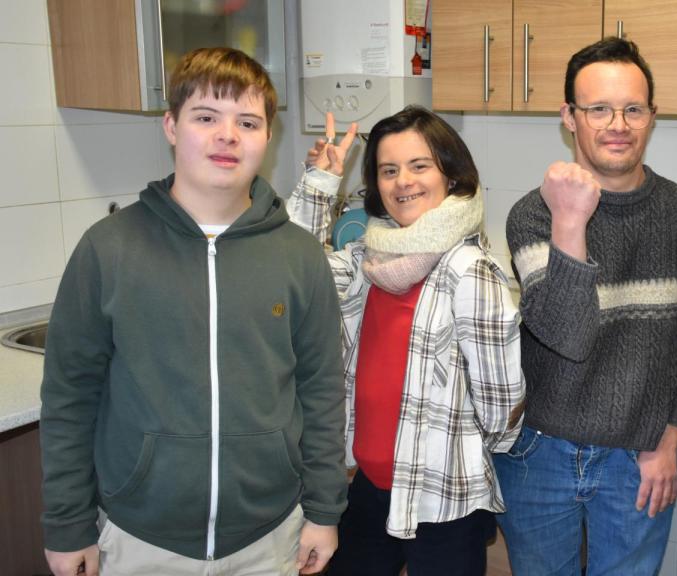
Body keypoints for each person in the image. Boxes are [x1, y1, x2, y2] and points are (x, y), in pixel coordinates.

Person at [39, 47, 347, 576]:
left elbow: (321, 392)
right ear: (171, 126)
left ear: (266, 139)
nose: (227, 135)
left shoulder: (299, 256)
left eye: (247, 122)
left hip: (269, 537)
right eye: (206, 117)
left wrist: (323, 511)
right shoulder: (108, 249)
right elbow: (70, 397)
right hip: (141, 538)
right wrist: (67, 525)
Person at [496, 37, 677, 575]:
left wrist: (669, 442)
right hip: (537, 455)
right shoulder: (532, 216)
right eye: (598, 108)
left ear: (651, 116)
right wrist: (570, 220)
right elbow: (566, 335)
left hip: (638, 458)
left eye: (633, 108)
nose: (617, 123)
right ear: (569, 117)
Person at [287, 105, 525, 576]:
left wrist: (455, 451)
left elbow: (502, 406)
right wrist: (319, 183)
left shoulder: (471, 272)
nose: (403, 182)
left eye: (420, 166)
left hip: (444, 500)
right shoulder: (364, 259)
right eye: (388, 170)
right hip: (366, 486)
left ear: (451, 177)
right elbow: (290, 269)